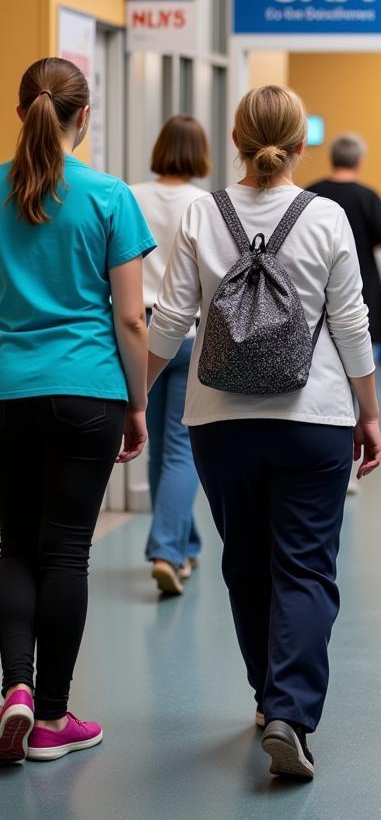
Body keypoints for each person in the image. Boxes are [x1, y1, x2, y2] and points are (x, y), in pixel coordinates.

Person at [148, 85, 381, 782]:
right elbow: (352, 324)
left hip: (220, 423)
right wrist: (368, 413)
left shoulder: (201, 212)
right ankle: (290, 712)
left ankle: (264, 697)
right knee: (306, 568)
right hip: (315, 422)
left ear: (236, 139)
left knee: (246, 564)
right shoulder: (327, 216)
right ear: (300, 144)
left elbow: (170, 320)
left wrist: (137, 394)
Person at [0, 58, 153, 764]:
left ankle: (17, 690)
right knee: (65, 547)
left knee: (13, 544)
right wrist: (138, 403)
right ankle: (54, 718)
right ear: (82, 118)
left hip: (7, 390)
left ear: (22, 111)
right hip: (88, 390)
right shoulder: (109, 196)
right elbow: (130, 320)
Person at [130, 116, 211, 596]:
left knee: (157, 447)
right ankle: (167, 549)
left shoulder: (132, 195)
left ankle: (184, 543)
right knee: (182, 451)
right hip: (188, 332)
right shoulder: (204, 203)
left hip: (139, 332)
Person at [308, 134, 381, 346]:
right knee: (362, 346)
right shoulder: (367, 196)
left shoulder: (311, 192)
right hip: (361, 282)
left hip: (317, 281)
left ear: (331, 159)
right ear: (359, 161)